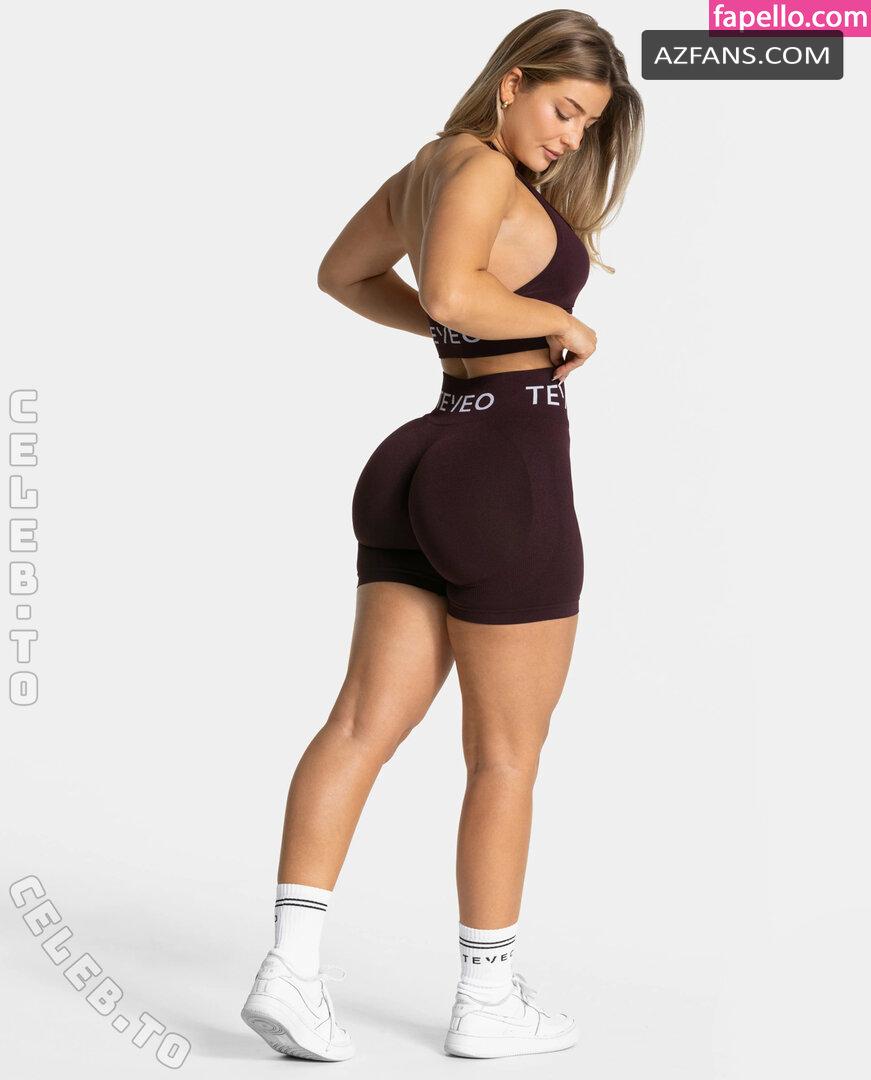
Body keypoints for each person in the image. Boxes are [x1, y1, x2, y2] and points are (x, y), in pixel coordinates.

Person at [240, 8, 643, 1061]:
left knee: (359, 725)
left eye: (588, 125)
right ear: (512, 82)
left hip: (422, 458)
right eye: (563, 109)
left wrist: (450, 321)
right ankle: (487, 999)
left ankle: (290, 971)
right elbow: (458, 291)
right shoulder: (478, 170)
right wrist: (554, 319)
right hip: (503, 468)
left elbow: (344, 274)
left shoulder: (425, 171)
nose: (570, 137)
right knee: (505, 753)